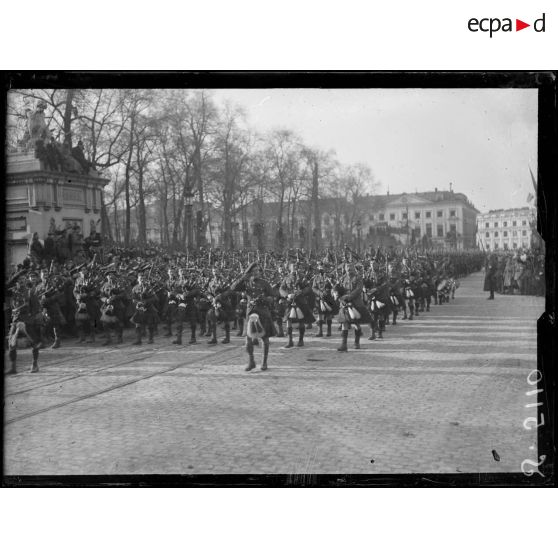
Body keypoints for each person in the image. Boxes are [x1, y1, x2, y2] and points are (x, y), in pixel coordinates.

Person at [230, 262, 276, 371]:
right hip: (250, 313)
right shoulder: (246, 283)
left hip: (263, 313)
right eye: (253, 271)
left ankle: (264, 362)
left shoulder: (265, 283)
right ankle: (251, 361)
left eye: (258, 270)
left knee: (265, 338)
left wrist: (264, 299)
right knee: (248, 340)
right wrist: (243, 277)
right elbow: (233, 288)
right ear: (250, 272)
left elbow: (272, 297)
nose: (256, 273)